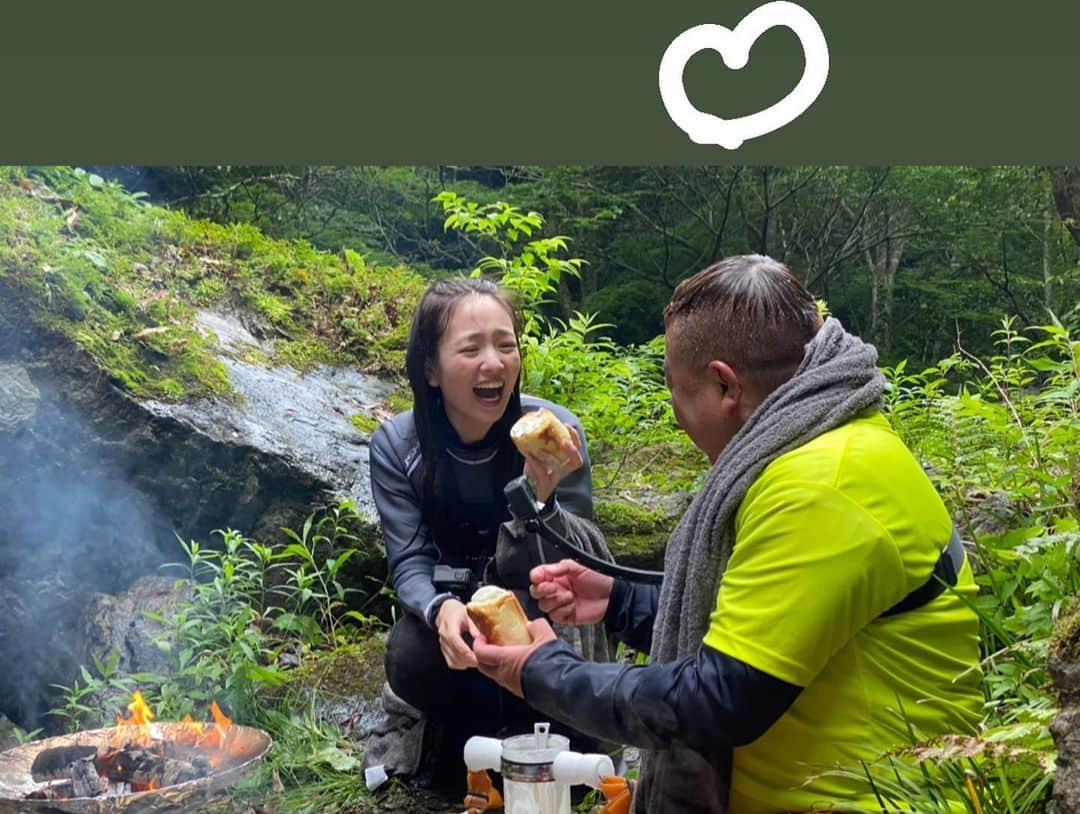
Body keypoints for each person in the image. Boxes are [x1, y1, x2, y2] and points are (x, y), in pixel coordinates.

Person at [472, 255, 984, 813]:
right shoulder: (834, 442)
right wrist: (619, 600)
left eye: (676, 390)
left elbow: (717, 699)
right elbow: (764, 624)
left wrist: (547, 672)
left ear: (723, 386)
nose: (675, 413)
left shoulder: (821, 488)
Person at [369, 276, 608, 794]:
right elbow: (407, 559)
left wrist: (541, 498)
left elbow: (579, 560)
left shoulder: (555, 432)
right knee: (409, 653)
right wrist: (439, 610)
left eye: (506, 344)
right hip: (452, 606)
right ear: (431, 369)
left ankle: (543, 734)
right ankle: (468, 735)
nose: (494, 363)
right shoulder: (397, 446)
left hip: (538, 603)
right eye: (471, 348)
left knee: (538, 617)